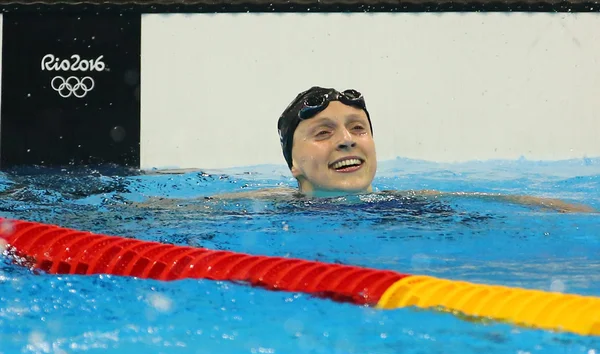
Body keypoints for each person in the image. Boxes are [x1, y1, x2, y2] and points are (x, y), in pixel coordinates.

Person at [212, 86, 595, 213]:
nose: (347, 139)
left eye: (358, 128)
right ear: (294, 164)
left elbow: (498, 202)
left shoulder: (409, 205)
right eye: (323, 132)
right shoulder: (263, 209)